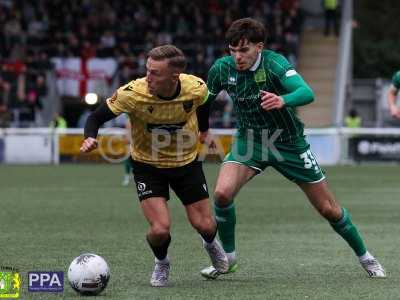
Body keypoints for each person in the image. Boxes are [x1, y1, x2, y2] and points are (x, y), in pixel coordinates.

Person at [200, 18, 385, 279]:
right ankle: (228, 259)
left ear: (259, 47)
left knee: (328, 209)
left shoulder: (276, 64)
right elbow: (205, 100)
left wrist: (282, 99)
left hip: (288, 143)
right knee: (221, 194)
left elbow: (306, 93)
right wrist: (203, 128)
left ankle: (366, 258)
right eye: (232, 50)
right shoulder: (221, 68)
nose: (237, 56)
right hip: (250, 140)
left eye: (244, 50)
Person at [80, 45, 228, 287]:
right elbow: (95, 117)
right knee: (160, 230)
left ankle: (211, 245)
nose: (148, 77)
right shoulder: (132, 93)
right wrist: (90, 136)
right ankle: (162, 262)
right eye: (147, 70)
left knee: (206, 224)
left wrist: (204, 130)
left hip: (186, 163)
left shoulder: (196, 87)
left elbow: (203, 104)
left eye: (155, 73)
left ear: (174, 76)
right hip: (147, 166)